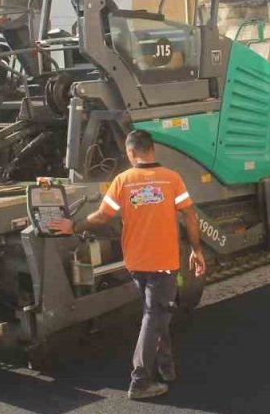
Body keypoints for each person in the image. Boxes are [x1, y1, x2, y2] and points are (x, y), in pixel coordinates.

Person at [49, 130, 206, 401]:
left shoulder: (122, 181)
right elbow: (190, 216)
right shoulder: (172, 179)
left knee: (158, 313)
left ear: (131, 154)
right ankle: (140, 381)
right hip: (163, 263)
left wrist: (73, 226)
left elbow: (101, 216)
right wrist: (196, 250)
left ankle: (165, 367)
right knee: (154, 314)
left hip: (136, 264)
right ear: (152, 150)